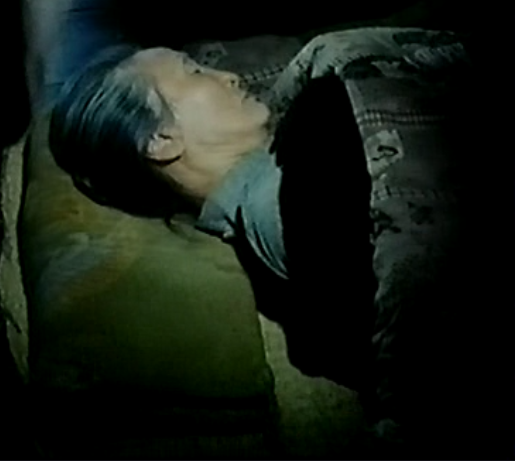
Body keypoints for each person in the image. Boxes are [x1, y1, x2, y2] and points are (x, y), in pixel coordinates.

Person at [48, 31, 508, 458]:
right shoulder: (303, 172)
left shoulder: (283, 189)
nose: (228, 76)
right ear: (162, 140)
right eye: (194, 71)